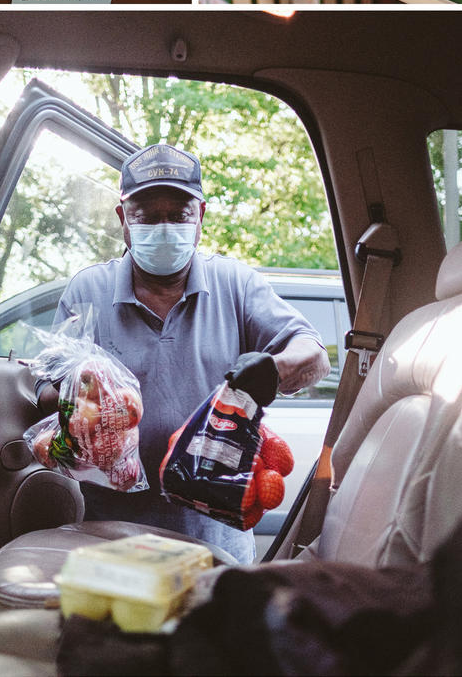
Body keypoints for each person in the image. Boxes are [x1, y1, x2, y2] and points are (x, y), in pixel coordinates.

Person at [41, 143, 331, 563]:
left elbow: (314, 354)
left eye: (177, 214)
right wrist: (84, 397)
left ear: (200, 217)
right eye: (146, 214)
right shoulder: (88, 292)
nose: (163, 227)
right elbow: (47, 394)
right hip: (110, 540)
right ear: (123, 218)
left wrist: (272, 369)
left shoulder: (236, 284)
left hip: (216, 543)